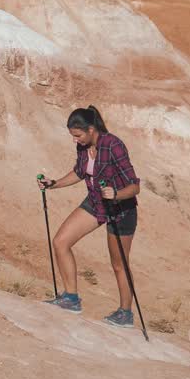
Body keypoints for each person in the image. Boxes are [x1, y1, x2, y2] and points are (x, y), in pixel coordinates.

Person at [38, 105, 142, 327]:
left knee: (119, 264)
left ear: (91, 129)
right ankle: (71, 299)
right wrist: (53, 184)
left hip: (120, 209)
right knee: (61, 242)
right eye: (73, 136)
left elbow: (134, 187)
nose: (75, 140)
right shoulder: (84, 148)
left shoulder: (113, 145)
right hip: (95, 203)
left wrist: (116, 194)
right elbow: (79, 172)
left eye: (78, 135)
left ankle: (125, 314)